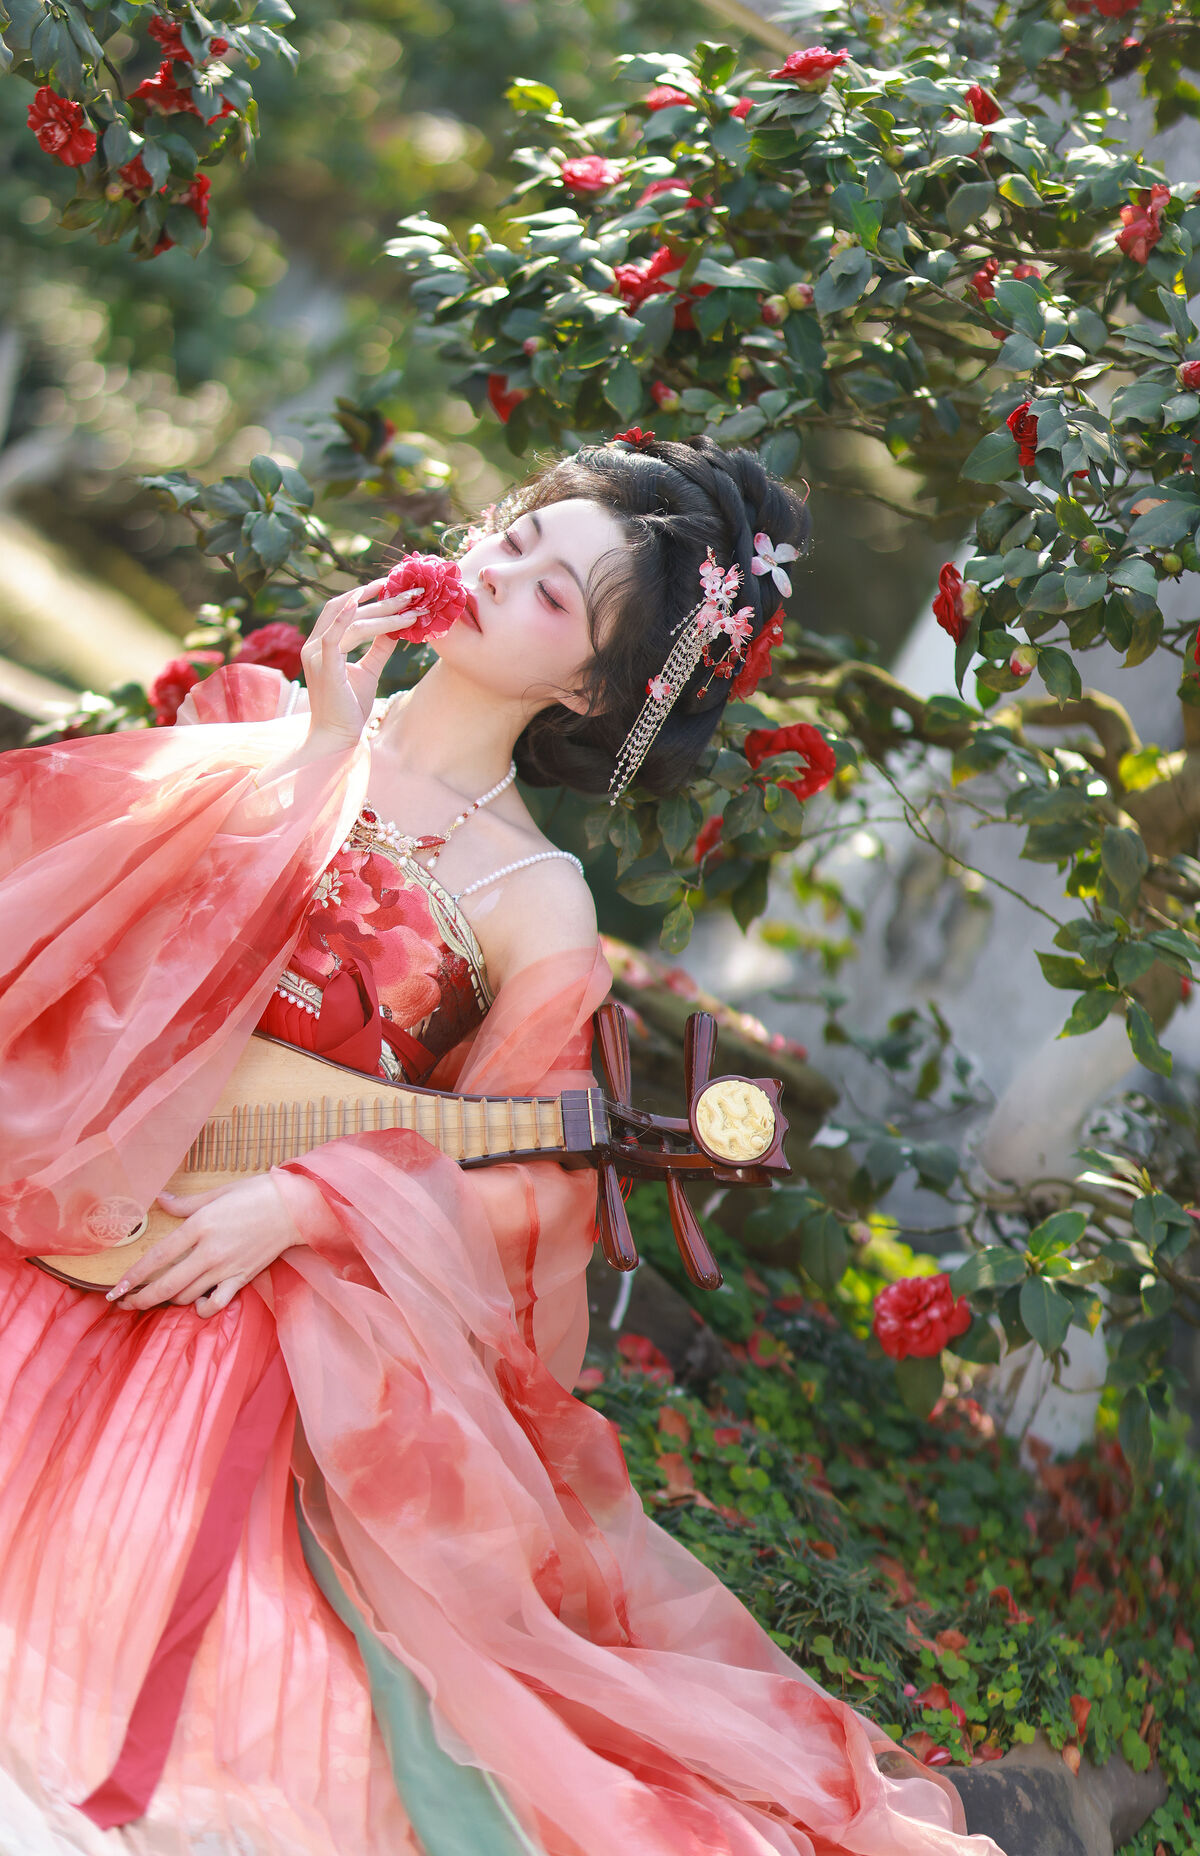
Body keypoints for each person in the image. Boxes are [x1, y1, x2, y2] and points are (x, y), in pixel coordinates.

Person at [0, 436, 1005, 1856]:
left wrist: (306, 1204)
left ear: (591, 689)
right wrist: (321, 749)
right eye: (515, 539)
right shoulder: (284, 724)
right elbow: (108, 957)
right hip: (70, 1181)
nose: (497, 574)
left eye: (552, 595)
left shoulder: (537, 900)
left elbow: (522, 1187)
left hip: (251, 1285)